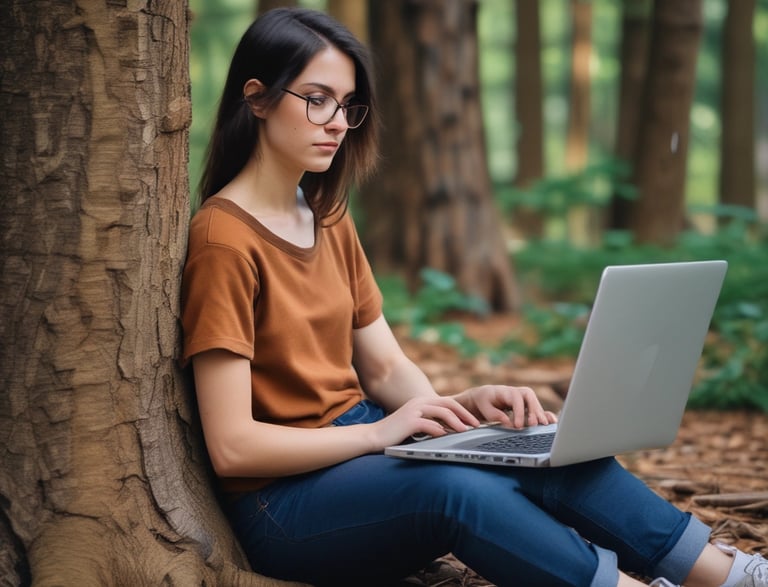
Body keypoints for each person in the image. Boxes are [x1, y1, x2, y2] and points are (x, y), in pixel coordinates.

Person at [180, 8, 767, 587]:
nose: (337, 121)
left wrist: (459, 422)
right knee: (457, 489)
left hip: (357, 457)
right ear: (256, 98)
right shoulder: (224, 239)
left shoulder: (326, 215)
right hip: (282, 505)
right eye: (316, 99)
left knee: (537, 450)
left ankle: (726, 574)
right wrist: (381, 434)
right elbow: (233, 447)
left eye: (347, 104)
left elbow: (384, 365)